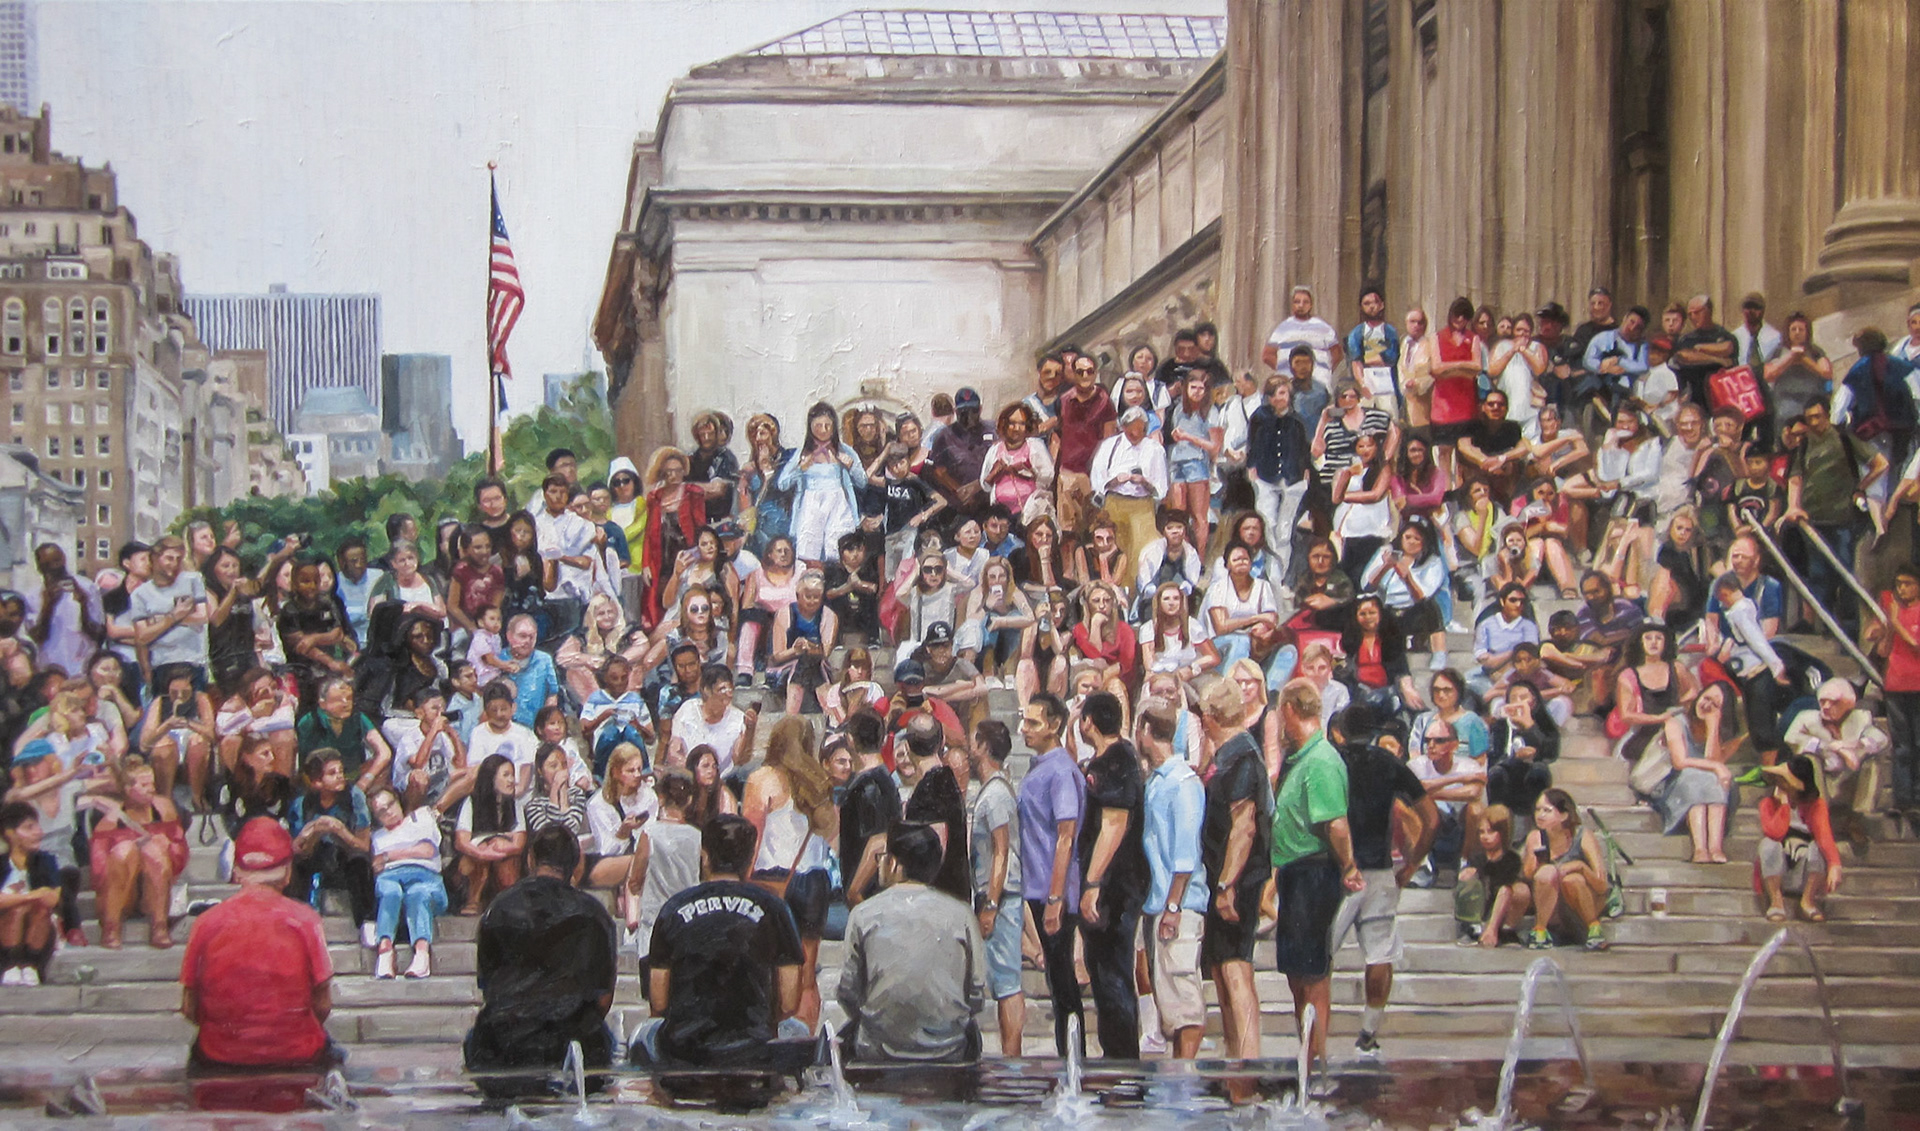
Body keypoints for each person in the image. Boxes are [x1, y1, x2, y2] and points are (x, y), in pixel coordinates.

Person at [630, 814, 811, 1069]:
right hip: (753, 1049)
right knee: (799, 1029)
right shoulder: (775, 909)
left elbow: (658, 1002)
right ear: (750, 859)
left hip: (685, 1051)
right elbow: (789, 1003)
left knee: (643, 1033)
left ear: (704, 856)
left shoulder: (673, 908)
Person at [180, 818, 340, 1070]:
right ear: (287, 873)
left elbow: (189, 1007)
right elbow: (322, 1004)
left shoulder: (206, 923)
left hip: (220, 1054)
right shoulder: (306, 920)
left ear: (235, 870)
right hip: (297, 1052)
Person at [465, 825, 620, 1074]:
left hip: (503, 1041)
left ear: (530, 859)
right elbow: (603, 998)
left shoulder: (499, 908)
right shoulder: (594, 914)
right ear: (576, 865)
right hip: (571, 1039)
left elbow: (488, 987)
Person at [1331, 704, 1438, 1056]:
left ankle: (1311, 1033)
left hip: (1337, 870)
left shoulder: (1330, 762)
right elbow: (1431, 818)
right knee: (1379, 954)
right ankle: (1369, 1031)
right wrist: (1412, 862)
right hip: (1378, 869)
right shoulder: (1388, 763)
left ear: (1339, 732)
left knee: (1319, 955)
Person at [836, 821, 986, 1063]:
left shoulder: (863, 914)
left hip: (878, 1049)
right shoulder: (962, 915)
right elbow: (976, 993)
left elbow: (848, 992)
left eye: (882, 857)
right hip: (948, 1049)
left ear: (894, 864)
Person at [1267, 677, 1361, 1067]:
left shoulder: (1321, 759)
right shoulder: (1300, 758)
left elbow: (1335, 823)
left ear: (1289, 710)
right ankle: (1306, 1049)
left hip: (1314, 869)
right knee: (1296, 969)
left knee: (1312, 968)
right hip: (1293, 870)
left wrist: (1349, 864)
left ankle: (1317, 1056)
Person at [742, 715, 837, 1028]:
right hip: (814, 882)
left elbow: (751, 838)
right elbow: (830, 837)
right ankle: (806, 1042)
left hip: (772, 880)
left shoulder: (762, 779)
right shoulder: (820, 782)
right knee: (807, 975)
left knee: (772, 968)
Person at [1193, 676, 1270, 1060]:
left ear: (1211, 716)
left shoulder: (1242, 757)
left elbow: (1244, 825)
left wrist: (1226, 885)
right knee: (1223, 969)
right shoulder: (1226, 755)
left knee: (1237, 968)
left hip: (1237, 879)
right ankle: (1234, 1055)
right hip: (1222, 875)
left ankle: (1248, 1058)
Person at [1072, 691, 1146, 1061]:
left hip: (1115, 888)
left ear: (1089, 722)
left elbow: (1114, 825)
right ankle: (1115, 1052)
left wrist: (1092, 883)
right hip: (1111, 885)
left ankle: (1122, 1059)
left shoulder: (1115, 762)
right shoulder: (1108, 760)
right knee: (1104, 975)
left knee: (1112, 974)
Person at [1132, 700, 1207, 1057]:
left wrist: (1174, 906)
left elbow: (1185, 854)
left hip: (1177, 904)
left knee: (1183, 999)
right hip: (1157, 902)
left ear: (1146, 731)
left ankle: (1185, 1074)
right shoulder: (1156, 781)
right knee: (1166, 996)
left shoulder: (1183, 783)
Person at [1015, 693, 1084, 1058]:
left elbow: (1066, 834)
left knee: (1063, 984)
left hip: (1054, 890)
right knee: (1057, 983)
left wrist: (1056, 897)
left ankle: (1073, 1060)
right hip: (1039, 887)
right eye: (1025, 721)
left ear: (1055, 725)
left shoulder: (1060, 770)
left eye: (1034, 723)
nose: (1025, 729)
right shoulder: (1041, 767)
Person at [966, 718, 1025, 1056]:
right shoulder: (992, 791)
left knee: (1006, 982)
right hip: (996, 894)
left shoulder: (997, 794)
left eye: (975, 741)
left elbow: (1001, 850)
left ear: (984, 747)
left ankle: (1011, 1055)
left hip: (1000, 897)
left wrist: (991, 903)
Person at [88, 755, 189, 950]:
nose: (151, 789)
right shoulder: (110, 820)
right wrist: (132, 853)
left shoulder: (163, 808)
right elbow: (99, 875)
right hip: (122, 894)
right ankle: (112, 927)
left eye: (151, 784)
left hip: (152, 890)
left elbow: (180, 856)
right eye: (144, 785)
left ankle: (159, 926)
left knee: (155, 851)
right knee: (124, 850)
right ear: (128, 790)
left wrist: (167, 846)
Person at [1784, 679, 1890, 853]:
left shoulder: (1860, 717)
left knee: (1872, 763)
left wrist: (1852, 745)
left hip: (1848, 781)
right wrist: (1829, 747)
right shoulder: (1807, 718)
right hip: (1820, 782)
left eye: (1833, 703)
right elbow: (1791, 739)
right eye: (1823, 701)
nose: (1826, 706)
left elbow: (1881, 739)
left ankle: (1857, 817)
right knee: (1810, 759)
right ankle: (1819, 819)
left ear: (1848, 705)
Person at [1639, 682, 1737, 865]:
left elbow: (1713, 759)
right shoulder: (1676, 721)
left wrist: (1713, 726)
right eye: (1706, 698)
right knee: (1695, 777)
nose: (1707, 705)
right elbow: (1680, 762)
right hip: (1672, 784)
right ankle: (1700, 848)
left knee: (1712, 779)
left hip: (1705, 784)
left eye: (1715, 704)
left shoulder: (1717, 729)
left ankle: (1715, 847)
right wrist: (1716, 767)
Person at [286, 751, 375, 947]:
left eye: (341, 771)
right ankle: (294, 921)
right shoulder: (302, 803)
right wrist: (314, 833)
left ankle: (367, 921)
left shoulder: (354, 797)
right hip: (316, 856)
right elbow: (297, 849)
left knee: (360, 863)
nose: (340, 776)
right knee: (297, 866)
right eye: (332, 773)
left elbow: (364, 845)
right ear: (317, 781)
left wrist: (341, 832)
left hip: (346, 855)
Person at [367, 785, 452, 979]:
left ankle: (422, 954)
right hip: (391, 878)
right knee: (390, 891)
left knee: (418, 893)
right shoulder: (377, 837)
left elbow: (427, 851)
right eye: (381, 810)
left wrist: (390, 855)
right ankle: (385, 952)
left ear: (398, 801)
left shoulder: (420, 817)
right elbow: (376, 866)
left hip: (425, 877)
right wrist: (392, 857)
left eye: (390, 804)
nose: (388, 811)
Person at [1519, 789, 1611, 950]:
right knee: (1547, 873)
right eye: (1538, 810)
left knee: (1572, 879)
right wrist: (1536, 858)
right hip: (1551, 909)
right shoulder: (1536, 837)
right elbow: (1527, 876)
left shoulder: (1582, 836)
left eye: (1547, 810)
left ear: (1564, 815)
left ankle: (1594, 928)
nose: (1540, 815)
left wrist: (1580, 867)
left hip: (1583, 904)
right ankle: (1540, 931)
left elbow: (1602, 886)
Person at [1755, 755, 1843, 923]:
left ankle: (1808, 900)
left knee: (1817, 848)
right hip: (1779, 871)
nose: (1781, 785)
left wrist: (1834, 864)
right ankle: (1776, 901)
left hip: (1805, 872)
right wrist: (1784, 806)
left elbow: (1824, 836)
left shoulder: (1816, 805)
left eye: (1785, 781)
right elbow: (1775, 833)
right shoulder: (1767, 804)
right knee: (1768, 844)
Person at [1867, 564, 1920, 832]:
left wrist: (1895, 619)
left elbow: (1915, 644)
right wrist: (1881, 626)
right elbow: (1873, 637)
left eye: (1908, 583)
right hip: (1897, 684)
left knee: (1918, 742)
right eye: (1899, 584)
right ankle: (1902, 798)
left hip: (1918, 684)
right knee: (1901, 745)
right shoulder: (1892, 610)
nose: (1902, 589)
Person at [129, 537, 210, 695]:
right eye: (169, 558)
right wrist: (174, 616)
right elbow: (142, 636)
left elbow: (202, 616)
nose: (174, 564)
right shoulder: (140, 594)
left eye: (179, 559)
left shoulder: (193, 580)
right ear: (154, 558)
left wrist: (160, 621)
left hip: (193, 661)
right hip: (161, 663)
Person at [1090, 406, 1170, 563]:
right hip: (1115, 504)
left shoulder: (1154, 449)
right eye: (1130, 430)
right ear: (1123, 428)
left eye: (1139, 430)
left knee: (1142, 550)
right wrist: (1114, 481)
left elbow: (1161, 488)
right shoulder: (1110, 446)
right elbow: (1097, 479)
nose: (1134, 434)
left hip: (1142, 507)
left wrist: (1145, 482)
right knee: (1116, 549)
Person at [0, 801, 62, 984]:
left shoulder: (46, 861)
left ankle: (30, 965)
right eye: (29, 827)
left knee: (40, 909)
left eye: (37, 826)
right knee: (19, 909)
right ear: (10, 834)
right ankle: (11, 964)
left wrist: (16, 899)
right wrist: (30, 896)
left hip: (40, 931)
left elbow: (52, 898)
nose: (38, 832)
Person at [1455, 804, 1528, 948]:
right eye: (1482, 832)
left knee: (1513, 890)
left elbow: (1505, 890)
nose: (1485, 837)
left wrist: (1492, 927)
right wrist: (1469, 872)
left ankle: (1503, 931)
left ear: (1503, 833)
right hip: (1481, 906)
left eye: (1491, 832)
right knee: (1468, 881)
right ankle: (1471, 926)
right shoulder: (1477, 857)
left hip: (1501, 908)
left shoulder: (1511, 859)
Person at [668, 664, 757, 776]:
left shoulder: (738, 719)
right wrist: (697, 772)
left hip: (722, 781)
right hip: (690, 777)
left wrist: (750, 729)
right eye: (722, 689)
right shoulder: (687, 710)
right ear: (706, 691)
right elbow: (673, 752)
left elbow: (740, 760)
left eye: (730, 689)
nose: (728, 694)